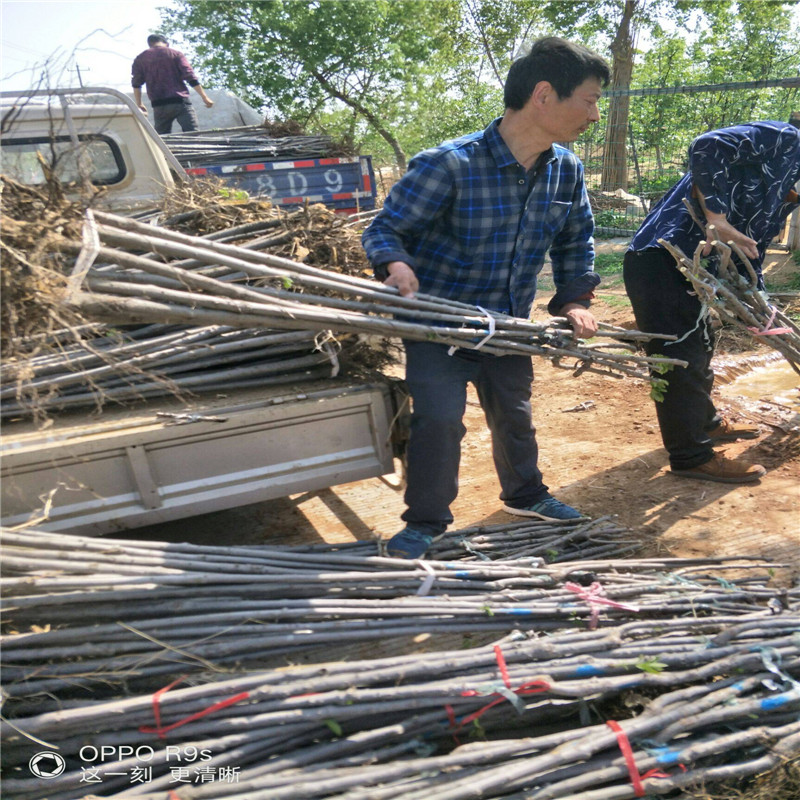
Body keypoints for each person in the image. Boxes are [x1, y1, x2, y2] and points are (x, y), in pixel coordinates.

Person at [362, 37, 610, 559]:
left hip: (509, 323)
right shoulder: (448, 165)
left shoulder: (566, 169)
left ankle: (526, 495)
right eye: (588, 100)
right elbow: (386, 230)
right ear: (544, 95)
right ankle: (425, 522)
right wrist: (396, 262)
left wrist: (574, 300)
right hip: (438, 324)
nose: (594, 114)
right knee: (439, 418)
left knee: (514, 412)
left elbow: (575, 240)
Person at [623, 119, 800, 483]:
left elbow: (747, 243)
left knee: (700, 348)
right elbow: (707, 145)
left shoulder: (790, 181)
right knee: (679, 358)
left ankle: (707, 423)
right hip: (664, 259)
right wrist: (716, 218)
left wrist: (758, 302)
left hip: (697, 271)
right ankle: (691, 457)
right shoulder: (787, 140)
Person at [131, 34, 214, 135]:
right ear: (167, 43)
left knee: (162, 140)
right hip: (180, 102)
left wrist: (139, 103)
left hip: (159, 104)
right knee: (193, 135)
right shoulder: (175, 54)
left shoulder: (140, 59)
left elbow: (136, 83)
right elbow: (190, 76)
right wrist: (204, 97)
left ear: (149, 44)